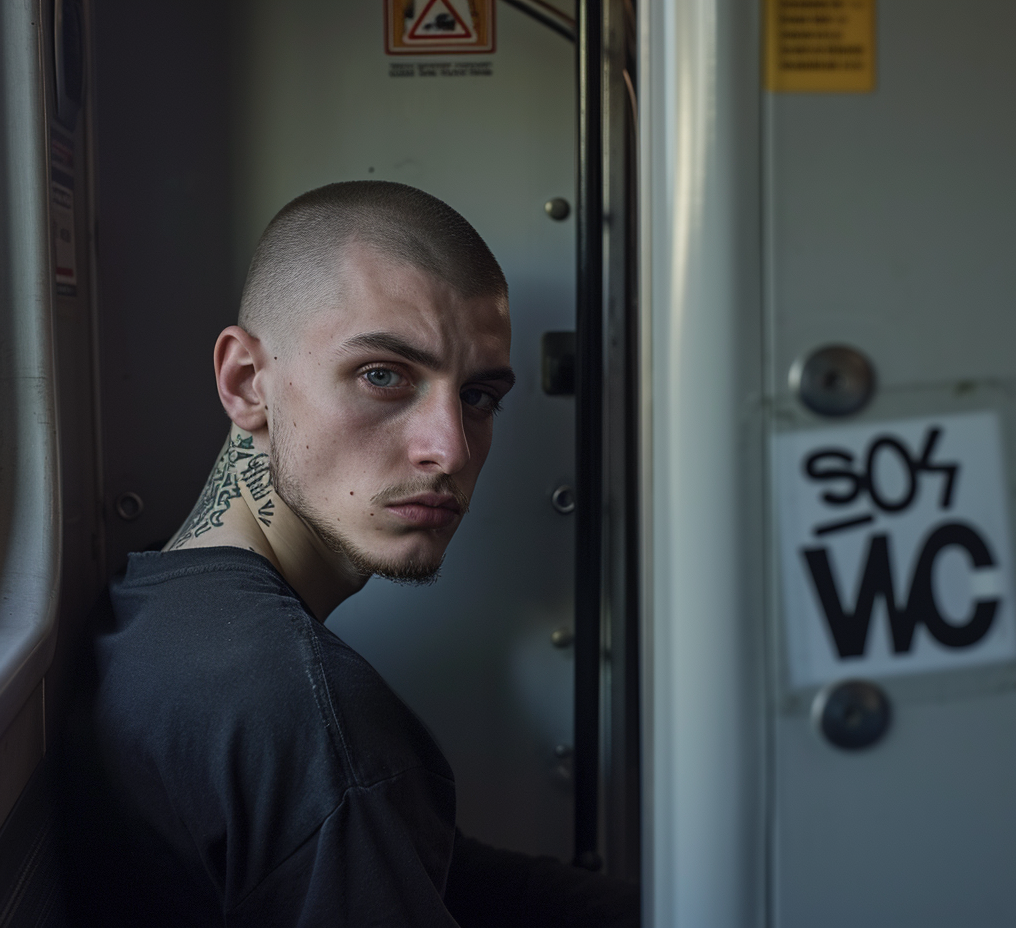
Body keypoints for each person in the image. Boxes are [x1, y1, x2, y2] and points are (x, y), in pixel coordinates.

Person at [68, 182, 638, 927]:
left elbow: (441, 874)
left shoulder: (163, 605)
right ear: (246, 383)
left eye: (478, 396)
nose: (449, 448)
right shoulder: (298, 707)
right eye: (383, 376)